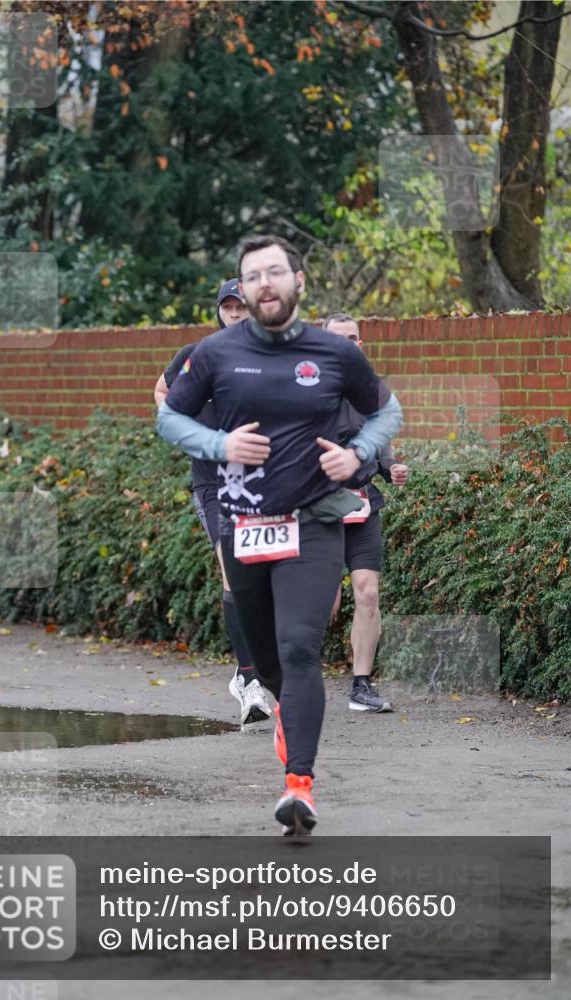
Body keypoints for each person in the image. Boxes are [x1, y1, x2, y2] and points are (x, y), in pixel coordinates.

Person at [157, 236, 402, 835]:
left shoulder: (333, 352)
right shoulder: (214, 353)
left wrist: (359, 455)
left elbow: (386, 411)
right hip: (246, 525)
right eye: (251, 276)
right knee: (270, 664)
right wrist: (217, 445)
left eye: (275, 271)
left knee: (299, 649)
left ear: (298, 281)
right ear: (241, 289)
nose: (263, 283)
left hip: (315, 520)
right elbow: (169, 416)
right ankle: (281, 709)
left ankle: (300, 787)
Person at [154, 280, 272, 725]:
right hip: (212, 483)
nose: (236, 313)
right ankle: (249, 681)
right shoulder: (195, 354)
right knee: (234, 569)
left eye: (243, 306)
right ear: (218, 311)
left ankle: (257, 667)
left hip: (260, 483)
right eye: (229, 306)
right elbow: (161, 393)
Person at [323, 313, 409, 713]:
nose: (348, 344)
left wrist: (392, 469)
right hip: (319, 509)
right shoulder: (306, 391)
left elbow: (381, 445)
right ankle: (287, 678)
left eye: (354, 338)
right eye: (339, 338)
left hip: (362, 505)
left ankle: (361, 686)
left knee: (369, 592)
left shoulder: (372, 391)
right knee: (325, 604)